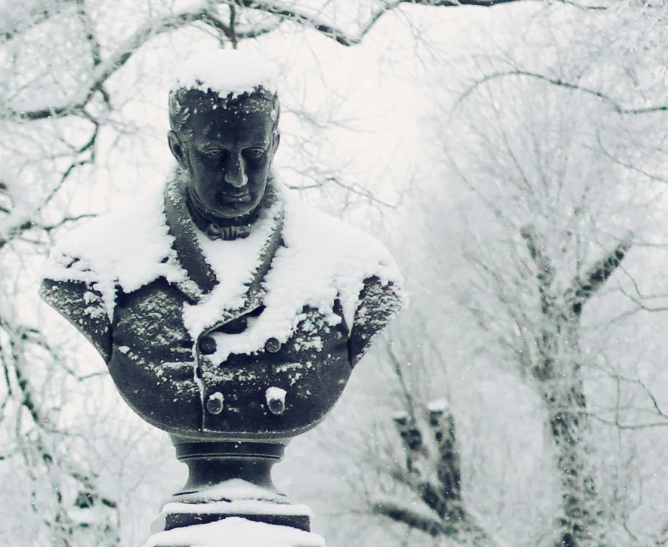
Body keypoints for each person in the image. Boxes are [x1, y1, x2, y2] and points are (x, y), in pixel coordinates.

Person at [40, 47, 401, 459]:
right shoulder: (90, 270)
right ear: (178, 149)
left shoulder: (359, 275)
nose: (238, 177)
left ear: (276, 144)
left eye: (255, 155)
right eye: (215, 156)